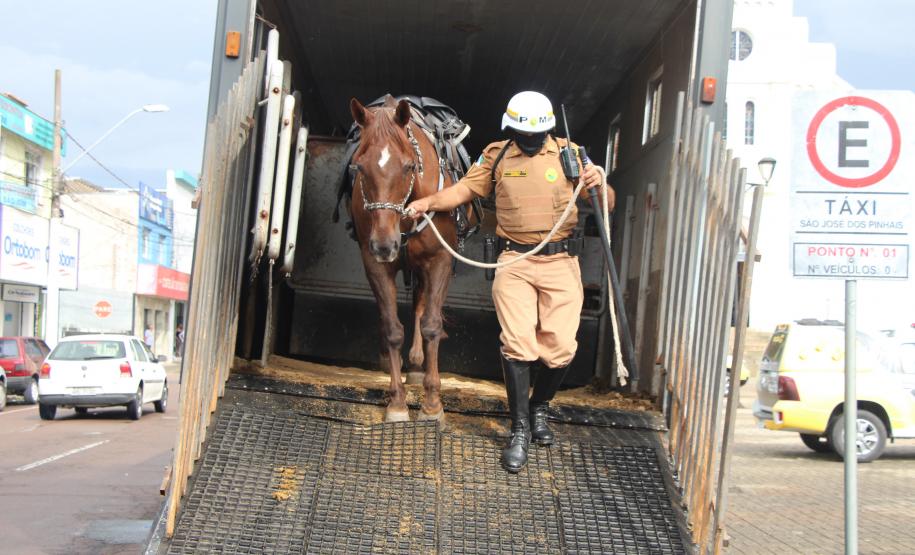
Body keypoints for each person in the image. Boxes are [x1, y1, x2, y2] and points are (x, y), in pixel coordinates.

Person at [406, 91, 615, 472]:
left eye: (535, 136)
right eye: (522, 134)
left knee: (561, 348)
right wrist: (427, 203)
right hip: (515, 261)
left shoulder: (572, 153)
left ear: (548, 130)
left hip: (561, 261)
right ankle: (519, 430)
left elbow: (606, 203)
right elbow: (465, 190)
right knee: (518, 346)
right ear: (512, 128)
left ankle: (539, 408)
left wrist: (598, 180)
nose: (529, 141)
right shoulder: (498, 154)